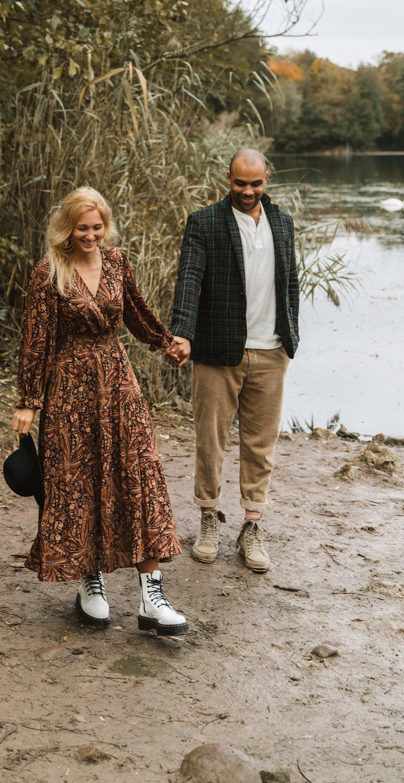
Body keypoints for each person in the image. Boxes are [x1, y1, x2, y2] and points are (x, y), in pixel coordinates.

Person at [13, 186, 189, 636]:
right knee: (78, 481)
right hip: (70, 391)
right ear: (67, 229)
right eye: (82, 228)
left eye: (97, 227)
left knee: (139, 473)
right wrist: (29, 401)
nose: (90, 236)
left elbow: (135, 312)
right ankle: (90, 584)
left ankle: (152, 595)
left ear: (104, 226)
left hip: (118, 382)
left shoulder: (117, 262)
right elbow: (36, 340)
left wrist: (165, 341)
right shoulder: (48, 272)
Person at [168, 149, 299, 573]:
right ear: (228, 178)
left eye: (255, 183)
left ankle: (252, 526)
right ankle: (209, 518)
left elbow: (290, 281)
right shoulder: (204, 222)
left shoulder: (282, 223)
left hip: (271, 349)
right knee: (211, 440)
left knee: (261, 445)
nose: (247, 191)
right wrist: (182, 332)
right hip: (218, 352)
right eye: (240, 183)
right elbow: (189, 279)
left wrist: (291, 336)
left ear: (266, 179)